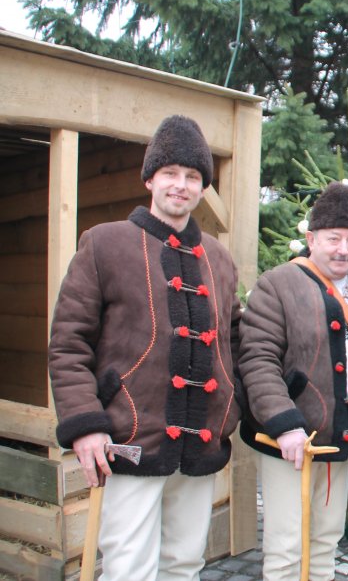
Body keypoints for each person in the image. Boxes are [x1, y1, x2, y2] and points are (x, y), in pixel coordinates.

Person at [48, 115, 241, 581]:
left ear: (202, 187)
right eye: (171, 173)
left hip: (199, 445)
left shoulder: (219, 259)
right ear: (150, 178)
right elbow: (68, 343)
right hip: (130, 438)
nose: (181, 185)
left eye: (193, 177)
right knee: (129, 570)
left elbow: (235, 343)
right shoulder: (104, 244)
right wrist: (86, 425)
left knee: (184, 565)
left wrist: (231, 411)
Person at [238, 182, 348, 581]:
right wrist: (284, 423)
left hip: (339, 439)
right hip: (289, 442)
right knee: (286, 546)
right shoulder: (277, 284)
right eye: (334, 238)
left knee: (325, 542)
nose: (343, 249)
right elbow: (257, 358)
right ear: (311, 238)